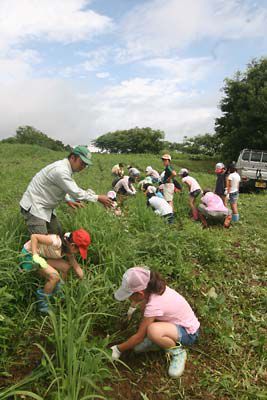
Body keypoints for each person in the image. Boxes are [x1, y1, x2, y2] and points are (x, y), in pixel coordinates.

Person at [111, 267, 200, 378]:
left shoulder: (154, 304)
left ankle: (178, 352)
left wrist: (118, 349)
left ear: (140, 293)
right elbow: (143, 309)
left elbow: (139, 336)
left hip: (188, 332)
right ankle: (159, 341)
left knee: (153, 331)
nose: (129, 298)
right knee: (139, 347)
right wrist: (132, 308)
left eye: (129, 295)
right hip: (172, 325)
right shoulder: (152, 289)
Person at [20, 146, 112, 235]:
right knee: (43, 242)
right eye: (82, 163)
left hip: (46, 206)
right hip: (35, 205)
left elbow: (62, 187)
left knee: (57, 233)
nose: (83, 167)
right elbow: (76, 193)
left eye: (86, 165)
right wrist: (98, 197)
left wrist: (68, 200)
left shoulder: (67, 169)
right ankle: (30, 250)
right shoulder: (60, 170)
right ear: (73, 157)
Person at [20, 228, 91, 313]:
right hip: (29, 256)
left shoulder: (68, 247)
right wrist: (35, 255)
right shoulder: (55, 241)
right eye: (78, 251)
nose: (78, 253)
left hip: (42, 256)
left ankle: (58, 292)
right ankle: (43, 305)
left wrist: (85, 281)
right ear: (72, 245)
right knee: (54, 276)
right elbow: (34, 237)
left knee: (66, 267)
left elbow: (76, 266)